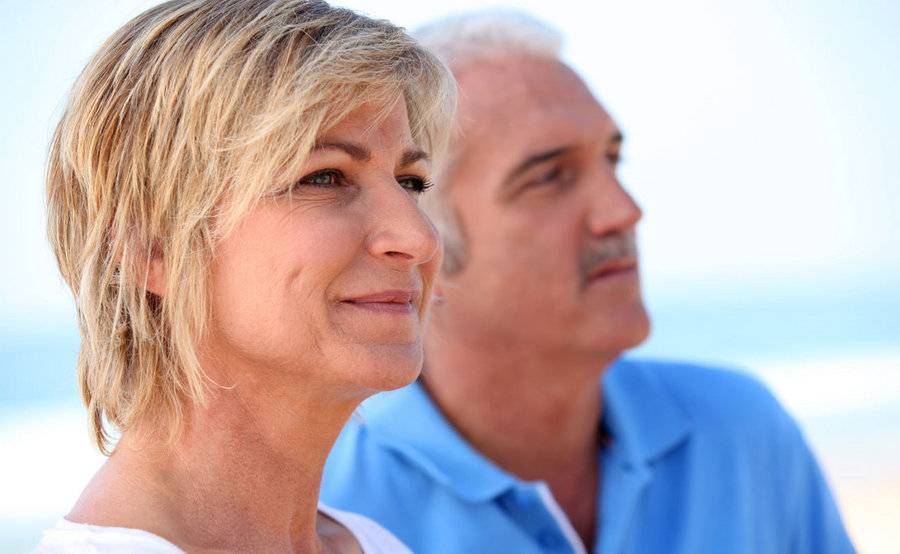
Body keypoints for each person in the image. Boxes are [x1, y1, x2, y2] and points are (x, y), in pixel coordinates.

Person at [321, 10, 855, 554]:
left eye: (612, 159)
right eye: (550, 177)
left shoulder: (743, 433)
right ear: (421, 239)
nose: (624, 211)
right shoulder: (331, 506)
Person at [35, 0, 455, 552]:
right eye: (324, 176)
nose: (418, 238)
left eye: (411, 181)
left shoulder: (374, 543)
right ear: (149, 247)